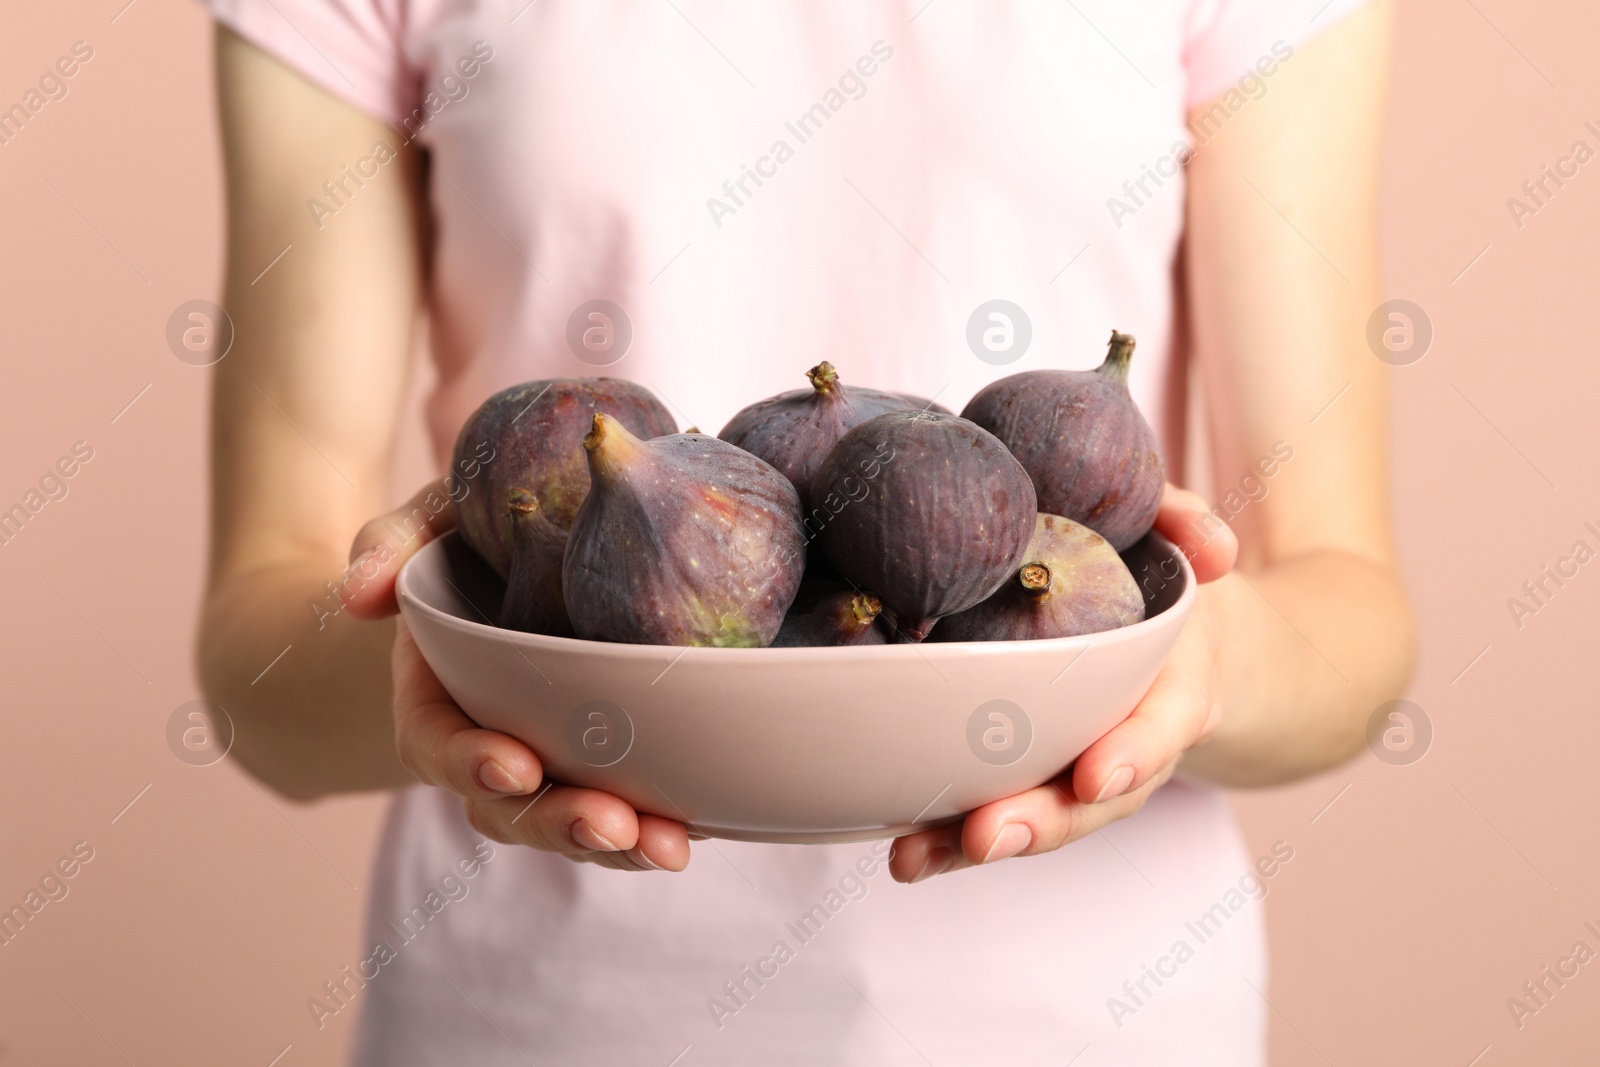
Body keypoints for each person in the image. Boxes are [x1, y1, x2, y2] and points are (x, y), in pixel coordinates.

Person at [197, 0, 1415, 1062]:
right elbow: (258, 660)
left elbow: (1345, 620)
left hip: (1092, 1022)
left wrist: (1178, 658)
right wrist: (453, 636)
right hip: (536, 1019)